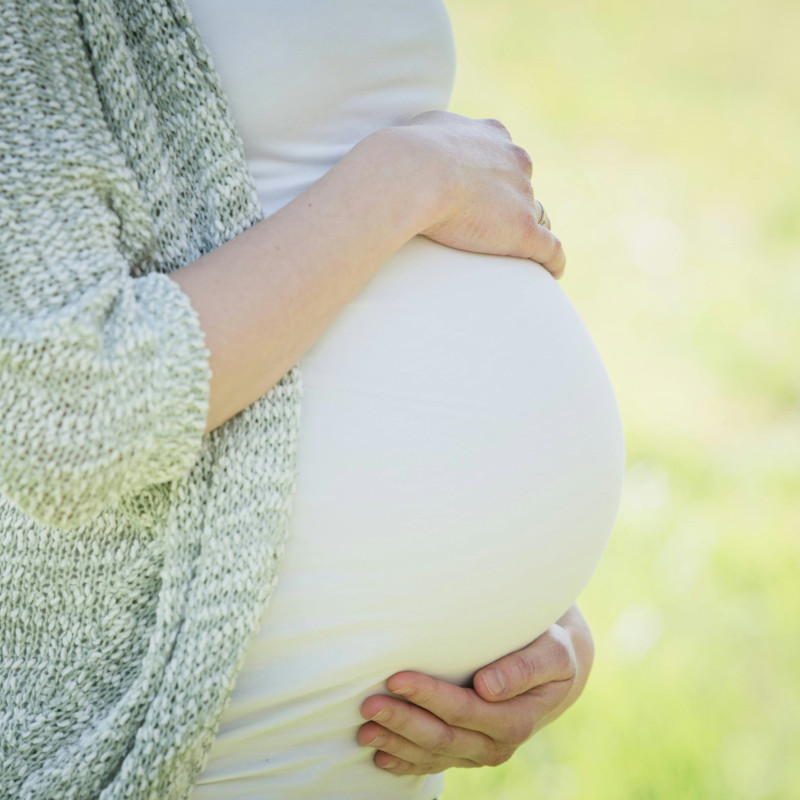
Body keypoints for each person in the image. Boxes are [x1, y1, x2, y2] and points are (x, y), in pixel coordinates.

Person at [0, 2, 624, 799]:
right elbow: (68, 414)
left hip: (373, 755)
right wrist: (413, 178)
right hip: (178, 740)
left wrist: (513, 622)